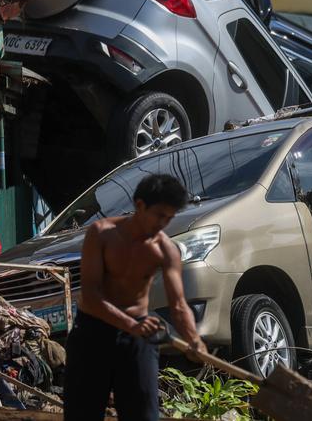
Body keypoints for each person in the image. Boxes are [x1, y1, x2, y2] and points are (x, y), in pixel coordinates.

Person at [64, 174, 206, 420]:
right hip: (92, 334)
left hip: (137, 339)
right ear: (140, 206)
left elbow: (179, 305)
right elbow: (91, 293)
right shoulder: (102, 234)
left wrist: (194, 339)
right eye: (159, 215)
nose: (163, 224)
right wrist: (131, 324)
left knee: (143, 415)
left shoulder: (165, 250)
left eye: (169, 218)